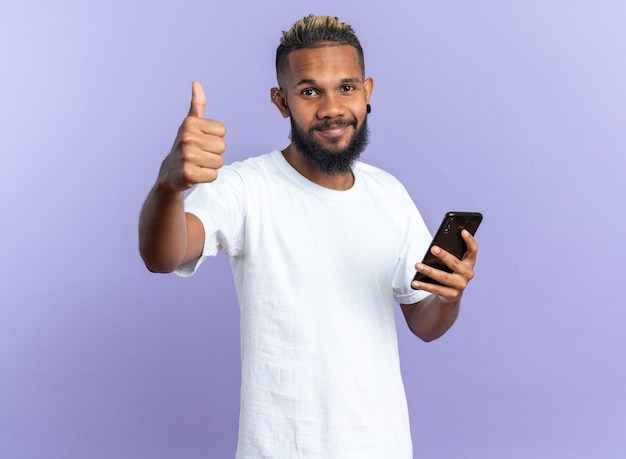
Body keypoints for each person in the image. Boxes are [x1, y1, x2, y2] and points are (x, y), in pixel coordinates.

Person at [139, 14, 478, 459]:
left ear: (367, 91)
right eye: (309, 91)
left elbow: (424, 323)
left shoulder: (389, 193)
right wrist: (169, 186)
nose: (332, 107)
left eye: (346, 87)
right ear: (281, 101)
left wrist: (449, 298)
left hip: (382, 446)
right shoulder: (246, 187)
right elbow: (163, 256)